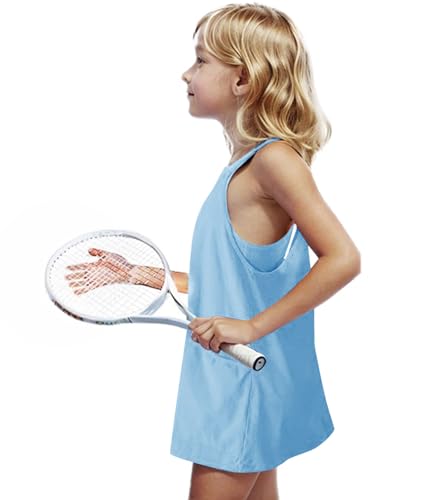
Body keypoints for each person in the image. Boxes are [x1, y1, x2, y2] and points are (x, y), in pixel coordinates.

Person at [66, 3, 361, 499]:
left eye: (201, 61)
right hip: (241, 377)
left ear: (242, 79)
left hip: (241, 382)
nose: (186, 72)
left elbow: (343, 258)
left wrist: (251, 328)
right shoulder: (244, 166)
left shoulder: (273, 161)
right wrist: (143, 274)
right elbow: (233, 280)